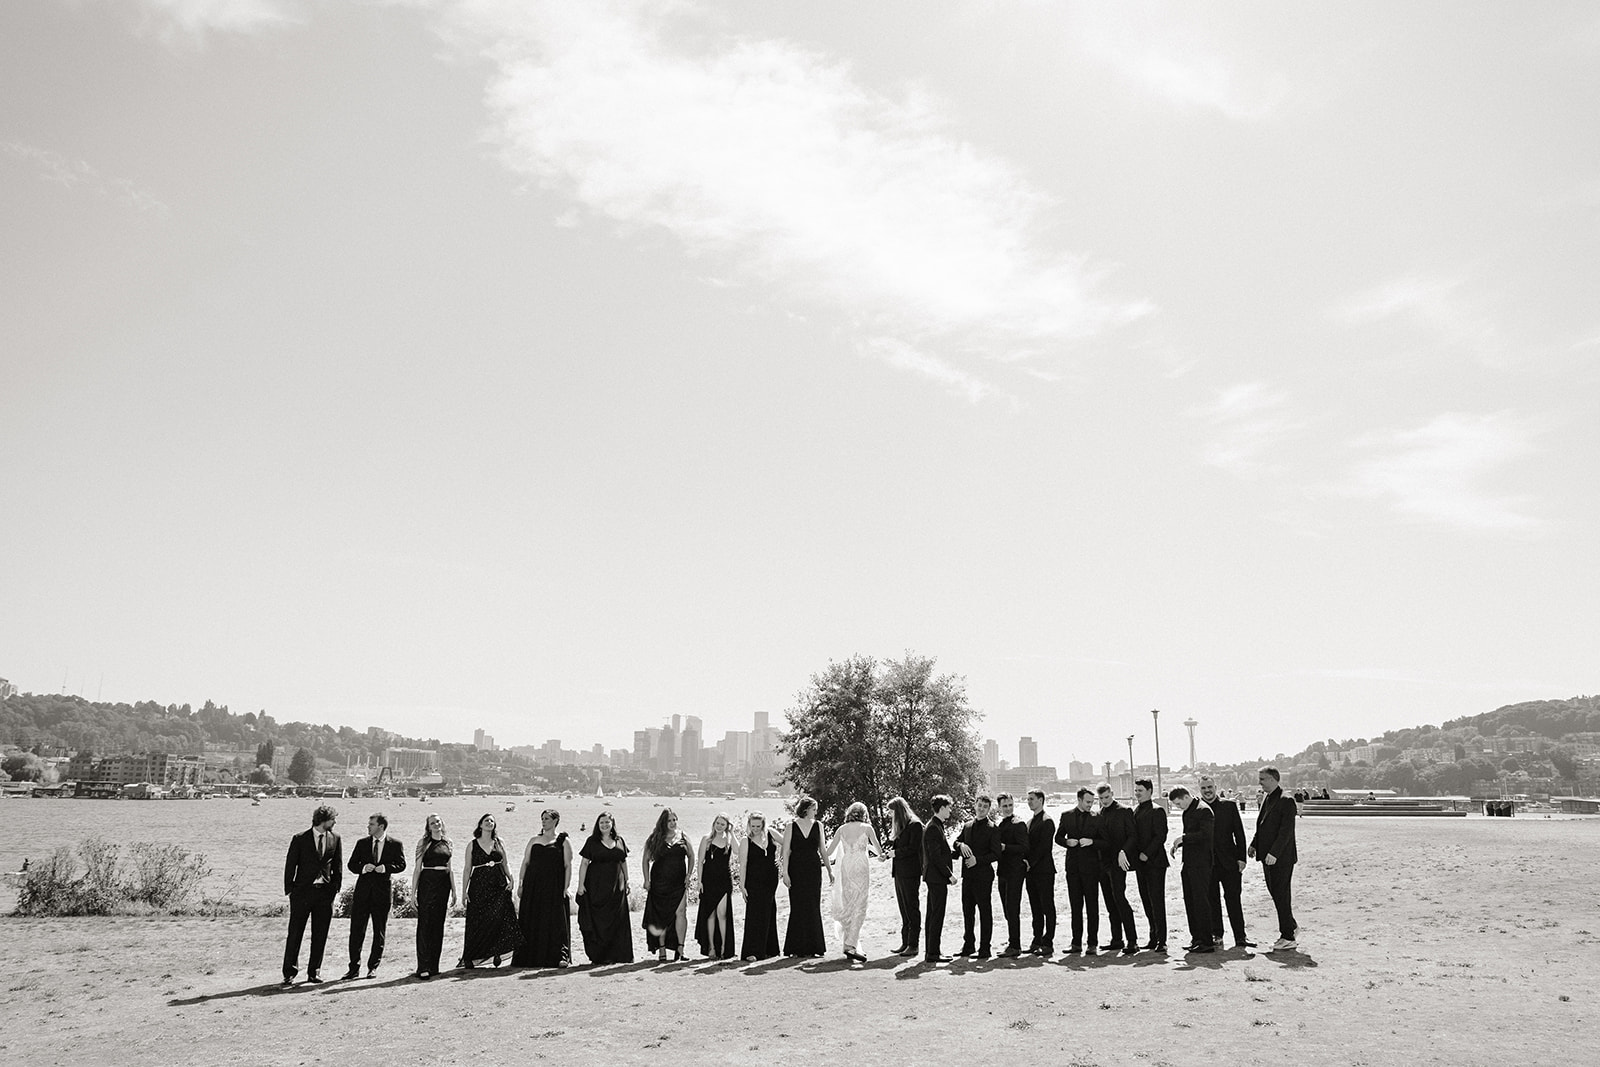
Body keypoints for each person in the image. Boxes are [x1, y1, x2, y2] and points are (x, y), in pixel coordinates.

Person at [282, 805, 342, 985]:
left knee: (320, 933)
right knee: (295, 933)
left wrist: (335, 888)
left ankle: (314, 971)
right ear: (323, 820)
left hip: (325, 894)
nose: (335, 822)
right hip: (302, 893)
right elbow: (290, 864)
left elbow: (337, 865)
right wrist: (290, 889)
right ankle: (289, 972)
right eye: (333, 819)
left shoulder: (336, 838)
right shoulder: (300, 839)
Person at [344, 811, 406, 980]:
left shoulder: (395, 844)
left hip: (382, 894)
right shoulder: (362, 843)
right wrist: (364, 867)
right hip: (362, 893)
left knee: (379, 931)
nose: (368, 827)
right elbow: (351, 864)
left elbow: (401, 865)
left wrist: (385, 868)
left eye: (371, 824)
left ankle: (373, 967)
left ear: (381, 826)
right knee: (356, 931)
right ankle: (353, 968)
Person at [458, 813, 524, 968]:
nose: (489, 822)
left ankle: (497, 952)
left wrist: (512, 879)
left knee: (499, 920)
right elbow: (467, 869)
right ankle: (471, 956)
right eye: (486, 820)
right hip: (479, 885)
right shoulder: (472, 845)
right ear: (480, 824)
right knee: (477, 921)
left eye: (492, 821)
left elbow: (505, 864)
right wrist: (464, 891)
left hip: (498, 884)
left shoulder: (499, 842)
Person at [823, 801, 883, 962]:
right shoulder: (867, 828)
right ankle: (850, 943)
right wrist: (875, 852)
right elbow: (879, 851)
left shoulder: (841, 829)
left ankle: (848, 944)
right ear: (864, 814)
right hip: (861, 867)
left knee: (849, 902)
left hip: (846, 868)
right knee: (860, 905)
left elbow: (828, 852)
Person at [512, 809, 572, 968]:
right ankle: (528, 956)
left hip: (553, 886)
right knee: (531, 918)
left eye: (546, 819)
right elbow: (525, 863)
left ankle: (560, 956)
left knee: (554, 921)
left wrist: (565, 888)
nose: (543, 821)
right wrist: (520, 884)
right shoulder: (533, 840)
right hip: (533, 886)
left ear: (555, 820)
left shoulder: (563, 841)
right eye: (542, 819)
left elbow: (567, 866)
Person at [1248, 767, 1299, 952]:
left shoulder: (1286, 800)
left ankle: (1288, 937)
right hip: (1267, 857)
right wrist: (1254, 844)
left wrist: (1275, 853)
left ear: (1272, 779)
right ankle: (1290, 927)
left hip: (1280, 858)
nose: (1259, 782)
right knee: (1276, 894)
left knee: (1281, 895)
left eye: (1262, 779)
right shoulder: (1268, 797)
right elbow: (1262, 826)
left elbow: (1286, 831)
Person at [1199, 776, 1252, 949]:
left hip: (1230, 863)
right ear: (1199, 790)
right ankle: (1217, 935)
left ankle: (1240, 937)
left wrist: (1241, 858)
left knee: (1233, 900)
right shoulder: (1198, 808)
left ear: (1215, 787)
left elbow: (1239, 833)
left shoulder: (1229, 806)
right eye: (1203, 788)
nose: (1207, 790)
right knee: (1212, 901)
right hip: (1208, 864)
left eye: (1209, 787)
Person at [575, 812, 633, 965]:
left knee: (617, 920)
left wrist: (627, 881)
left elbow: (623, 861)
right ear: (597, 825)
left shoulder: (620, 840)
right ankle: (600, 955)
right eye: (602, 823)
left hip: (617, 887)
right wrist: (580, 884)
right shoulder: (592, 841)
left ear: (612, 823)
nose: (605, 825)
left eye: (607, 822)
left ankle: (618, 954)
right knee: (599, 920)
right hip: (597, 886)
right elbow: (584, 863)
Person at [780, 796, 831, 957]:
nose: (816, 812)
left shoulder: (819, 825)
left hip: (813, 869)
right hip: (796, 869)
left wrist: (830, 870)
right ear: (806, 809)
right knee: (797, 906)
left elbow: (823, 850)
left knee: (813, 906)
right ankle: (795, 947)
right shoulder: (791, 826)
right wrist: (785, 872)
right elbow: (786, 851)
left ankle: (815, 946)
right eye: (814, 809)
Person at [642, 808, 694, 961]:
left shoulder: (683, 836)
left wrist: (689, 875)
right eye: (668, 821)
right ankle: (662, 949)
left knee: (681, 913)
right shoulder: (655, 838)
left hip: (679, 883)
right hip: (659, 883)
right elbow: (645, 860)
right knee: (661, 916)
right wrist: (646, 880)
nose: (672, 823)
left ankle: (680, 949)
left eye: (674, 820)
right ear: (663, 822)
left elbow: (691, 856)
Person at [1167, 787, 1215, 953]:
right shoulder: (1188, 810)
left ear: (1186, 797)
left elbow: (1206, 835)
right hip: (1189, 863)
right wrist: (1179, 844)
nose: (1178, 807)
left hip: (1201, 864)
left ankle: (1207, 941)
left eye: (1179, 803)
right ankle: (1196, 938)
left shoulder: (1204, 810)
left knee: (1201, 902)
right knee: (1190, 901)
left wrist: (1184, 838)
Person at [1055, 788, 1102, 954]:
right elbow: (1058, 837)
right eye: (1088, 802)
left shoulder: (1097, 817)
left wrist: (1092, 842)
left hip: (1091, 868)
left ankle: (1092, 943)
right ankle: (1076, 943)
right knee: (1075, 906)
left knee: (1092, 907)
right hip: (1073, 868)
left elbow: (1105, 841)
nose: (1091, 805)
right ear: (1079, 800)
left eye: (1092, 802)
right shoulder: (1066, 816)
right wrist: (1067, 842)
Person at [411, 813, 457, 979]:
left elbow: (450, 868)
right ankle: (423, 966)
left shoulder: (448, 842)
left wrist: (454, 891)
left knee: (438, 924)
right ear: (428, 826)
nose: (436, 824)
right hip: (427, 882)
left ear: (442, 823)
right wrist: (413, 893)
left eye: (438, 821)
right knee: (425, 924)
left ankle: (434, 965)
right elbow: (417, 869)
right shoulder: (423, 843)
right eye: (432, 823)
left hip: (443, 884)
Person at [1094, 783, 1138, 954]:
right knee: (1110, 903)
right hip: (1102, 863)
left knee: (1120, 898)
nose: (1104, 801)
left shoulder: (1124, 811)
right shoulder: (1098, 814)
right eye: (1101, 798)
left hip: (1119, 862)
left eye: (1107, 797)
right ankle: (1117, 939)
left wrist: (1124, 851)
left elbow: (1133, 836)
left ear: (1112, 794)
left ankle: (1132, 940)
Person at [954, 795, 999, 958]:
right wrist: (961, 845)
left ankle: (985, 948)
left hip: (984, 876)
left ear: (988, 809)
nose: (981, 809)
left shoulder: (993, 828)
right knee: (967, 911)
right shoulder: (966, 826)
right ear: (975, 805)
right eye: (979, 805)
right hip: (967, 876)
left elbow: (996, 854)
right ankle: (968, 945)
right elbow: (956, 843)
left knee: (985, 912)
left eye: (985, 807)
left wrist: (977, 860)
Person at [1129, 778, 1169, 952]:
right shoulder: (1136, 810)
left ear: (1150, 791)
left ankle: (1162, 939)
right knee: (1146, 900)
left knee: (1157, 901)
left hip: (1155, 862)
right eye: (1136, 790)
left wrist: (1147, 853)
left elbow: (1161, 836)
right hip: (1141, 863)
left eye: (1141, 790)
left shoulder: (1157, 810)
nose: (1137, 793)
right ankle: (1153, 937)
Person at [736, 812, 781, 960]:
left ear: (763, 824)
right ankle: (752, 951)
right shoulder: (745, 840)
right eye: (753, 826)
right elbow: (743, 865)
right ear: (749, 825)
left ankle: (770, 949)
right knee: (755, 914)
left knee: (769, 911)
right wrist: (742, 886)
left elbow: (788, 843)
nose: (755, 829)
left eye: (758, 825)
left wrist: (781, 860)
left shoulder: (771, 833)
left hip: (771, 880)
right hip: (753, 881)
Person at [921, 794, 960, 963]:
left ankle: (931, 951)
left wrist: (958, 853)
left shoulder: (935, 825)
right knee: (936, 915)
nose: (950, 811)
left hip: (934, 878)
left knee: (933, 914)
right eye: (949, 807)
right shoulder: (933, 827)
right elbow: (935, 856)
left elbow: (942, 852)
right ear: (942, 808)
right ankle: (933, 953)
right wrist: (949, 875)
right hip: (936, 878)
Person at [693, 814, 737, 960]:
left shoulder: (729, 839)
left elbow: (737, 851)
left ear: (727, 826)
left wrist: (731, 832)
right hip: (708, 881)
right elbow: (700, 862)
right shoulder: (706, 839)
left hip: (724, 881)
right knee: (710, 915)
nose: (719, 826)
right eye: (717, 823)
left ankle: (724, 947)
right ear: (714, 823)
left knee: (722, 915)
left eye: (723, 824)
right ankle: (711, 947)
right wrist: (699, 882)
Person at [885, 796, 923, 957]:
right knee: (903, 908)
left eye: (891, 812)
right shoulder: (902, 826)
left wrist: (896, 853)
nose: (890, 816)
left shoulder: (915, 825)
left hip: (911, 872)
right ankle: (905, 942)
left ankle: (913, 944)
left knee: (911, 907)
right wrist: (888, 855)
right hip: (900, 872)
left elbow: (914, 849)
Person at [993, 793, 1030, 958]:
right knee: (1007, 909)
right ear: (999, 808)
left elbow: (1024, 847)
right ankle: (1012, 941)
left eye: (1010, 805)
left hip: (1015, 872)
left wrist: (1004, 847)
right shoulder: (1000, 824)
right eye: (1004, 806)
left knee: (1012, 908)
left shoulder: (1019, 824)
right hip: (1003, 872)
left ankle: (1015, 945)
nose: (1008, 808)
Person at [1023, 788, 1057, 955]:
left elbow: (1044, 848)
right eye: (1028, 799)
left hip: (1044, 871)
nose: (1029, 801)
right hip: (1031, 872)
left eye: (1032, 799)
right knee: (1035, 907)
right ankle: (1037, 939)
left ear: (1041, 800)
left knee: (1047, 906)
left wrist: (1030, 863)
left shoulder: (1047, 821)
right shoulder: (1030, 822)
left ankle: (1048, 941)